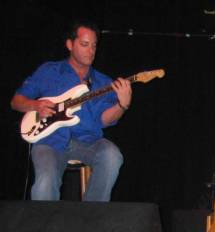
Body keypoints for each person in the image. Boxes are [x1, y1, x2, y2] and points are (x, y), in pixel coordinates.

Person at [10, 20, 132, 202]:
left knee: (112, 156)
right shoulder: (49, 71)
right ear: (69, 44)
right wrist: (36, 106)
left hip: (87, 141)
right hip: (49, 141)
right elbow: (16, 101)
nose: (91, 51)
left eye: (94, 46)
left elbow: (105, 120)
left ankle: (91, 216)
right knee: (45, 182)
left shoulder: (103, 82)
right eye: (84, 44)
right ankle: (45, 228)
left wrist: (122, 105)